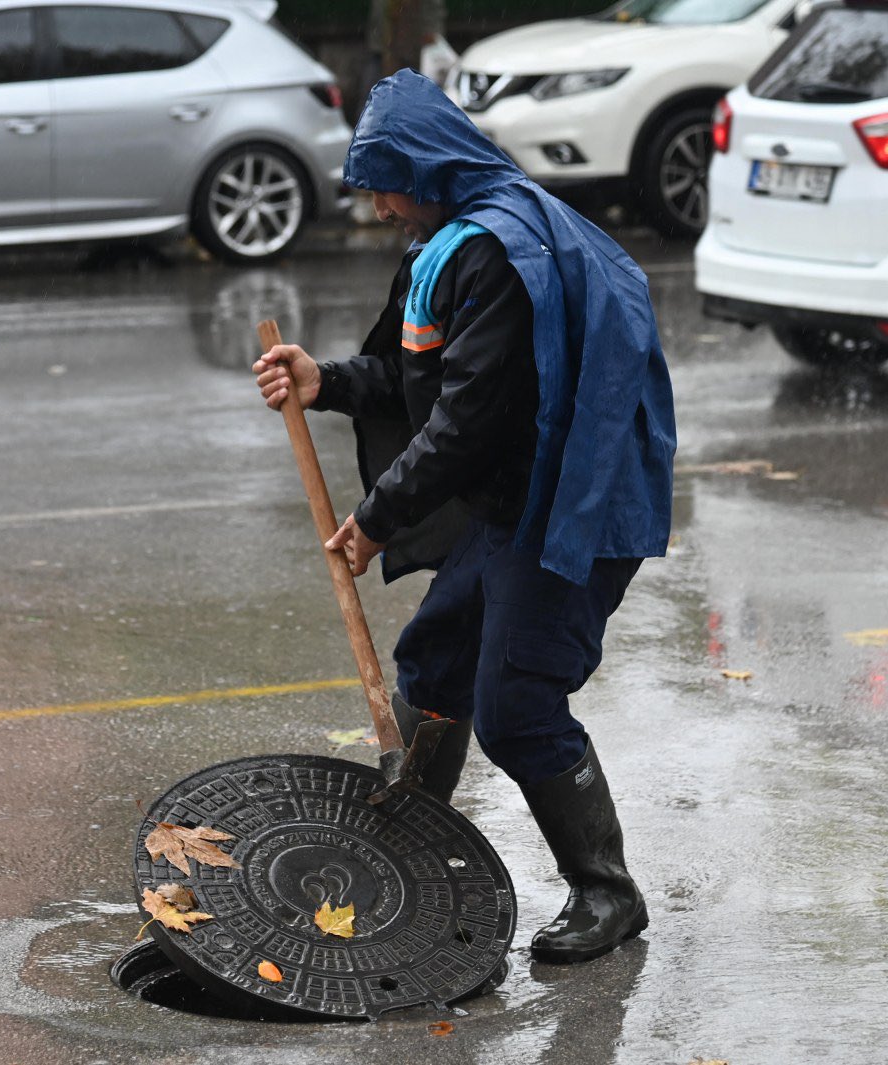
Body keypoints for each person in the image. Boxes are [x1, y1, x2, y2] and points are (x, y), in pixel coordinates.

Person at [252, 70, 675, 964]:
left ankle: (609, 893)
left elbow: (467, 422)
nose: (374, 206)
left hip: (570, 502)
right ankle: (403, 846)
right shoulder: (445, 241)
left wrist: (374, 518)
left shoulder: (498, 254)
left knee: (517, 702)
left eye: (380, 184)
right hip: (508, 499)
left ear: (425, 169)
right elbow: (423, 384)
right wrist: (325, 379)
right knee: (437, 664)